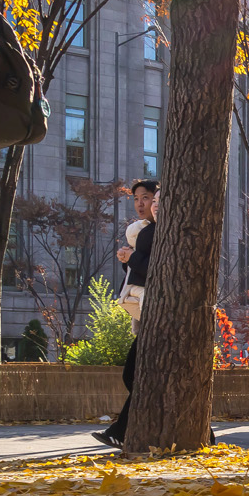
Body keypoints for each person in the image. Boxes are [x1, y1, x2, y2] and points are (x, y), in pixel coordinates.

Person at [93, 180, 156, 448]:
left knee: (136, 374)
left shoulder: (157, 231)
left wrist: (132, 258)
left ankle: (120, 431)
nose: (141, 204)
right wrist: (127, 261)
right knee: (137, 375)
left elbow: (156, 269)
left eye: (147, 198)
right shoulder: (143, 230)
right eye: (137, 199)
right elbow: (140, 273)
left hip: (155, 313)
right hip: (146, 312)